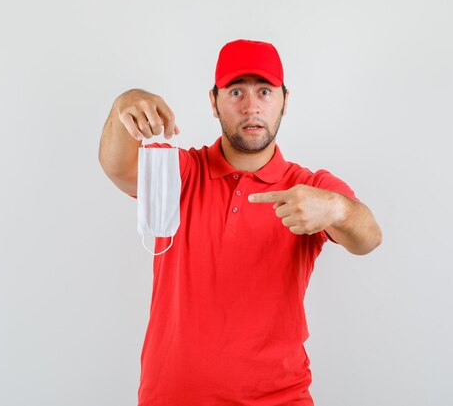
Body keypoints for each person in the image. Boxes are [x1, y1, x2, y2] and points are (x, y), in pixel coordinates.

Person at [99, 39, 382, 406]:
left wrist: (337, 210)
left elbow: (369, 237)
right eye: (236, 92)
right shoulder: (180, 172)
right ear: (214, 102)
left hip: (279, 398)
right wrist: (123, 104)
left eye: (264, 91)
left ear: (285, 100)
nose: (251, 107)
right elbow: (116, 165)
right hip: (171, 397)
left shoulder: (309, 188)